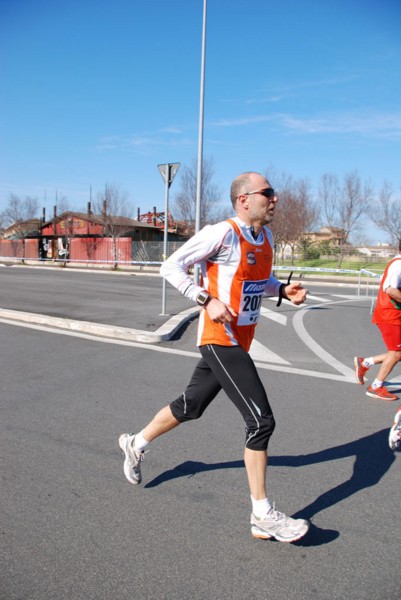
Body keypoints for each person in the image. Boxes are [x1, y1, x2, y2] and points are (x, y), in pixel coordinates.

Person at [119, 171, 310, 543]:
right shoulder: (221, 233)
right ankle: (261, 514)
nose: (274, 199)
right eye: (267, 193)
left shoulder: (266, 237)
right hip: (218, 338)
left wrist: (283, 290)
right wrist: (205, 299)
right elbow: (169, 266)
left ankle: (135, 442)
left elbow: (258, 283)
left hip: (240, 339)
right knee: (261, 422)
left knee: (190, 406)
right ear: (243, 200)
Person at [354, 239, 401, 401]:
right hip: (390, 315)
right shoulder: (398, 264)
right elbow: (390, 289)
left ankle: (366, 362)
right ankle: (376, 387)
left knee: (398, 352)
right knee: (396, 353)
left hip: (393, 314)